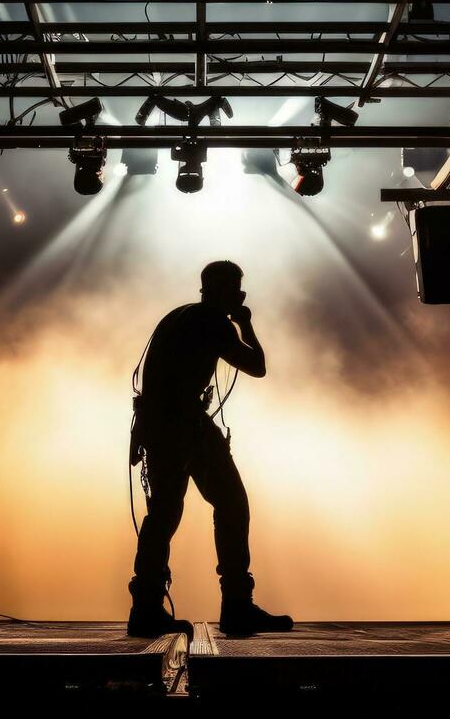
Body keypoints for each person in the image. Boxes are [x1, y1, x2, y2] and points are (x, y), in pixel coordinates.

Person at [126, 260, 294, 638]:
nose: (241, 295)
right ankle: (235, 606)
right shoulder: (213, 322)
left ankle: (148, 606)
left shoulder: (179, 315)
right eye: (237, 289)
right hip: (182, 425)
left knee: (166, 512)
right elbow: (257, 365)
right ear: (225, 291)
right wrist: (245, 322)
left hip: (166, 424)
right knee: (225, 504)